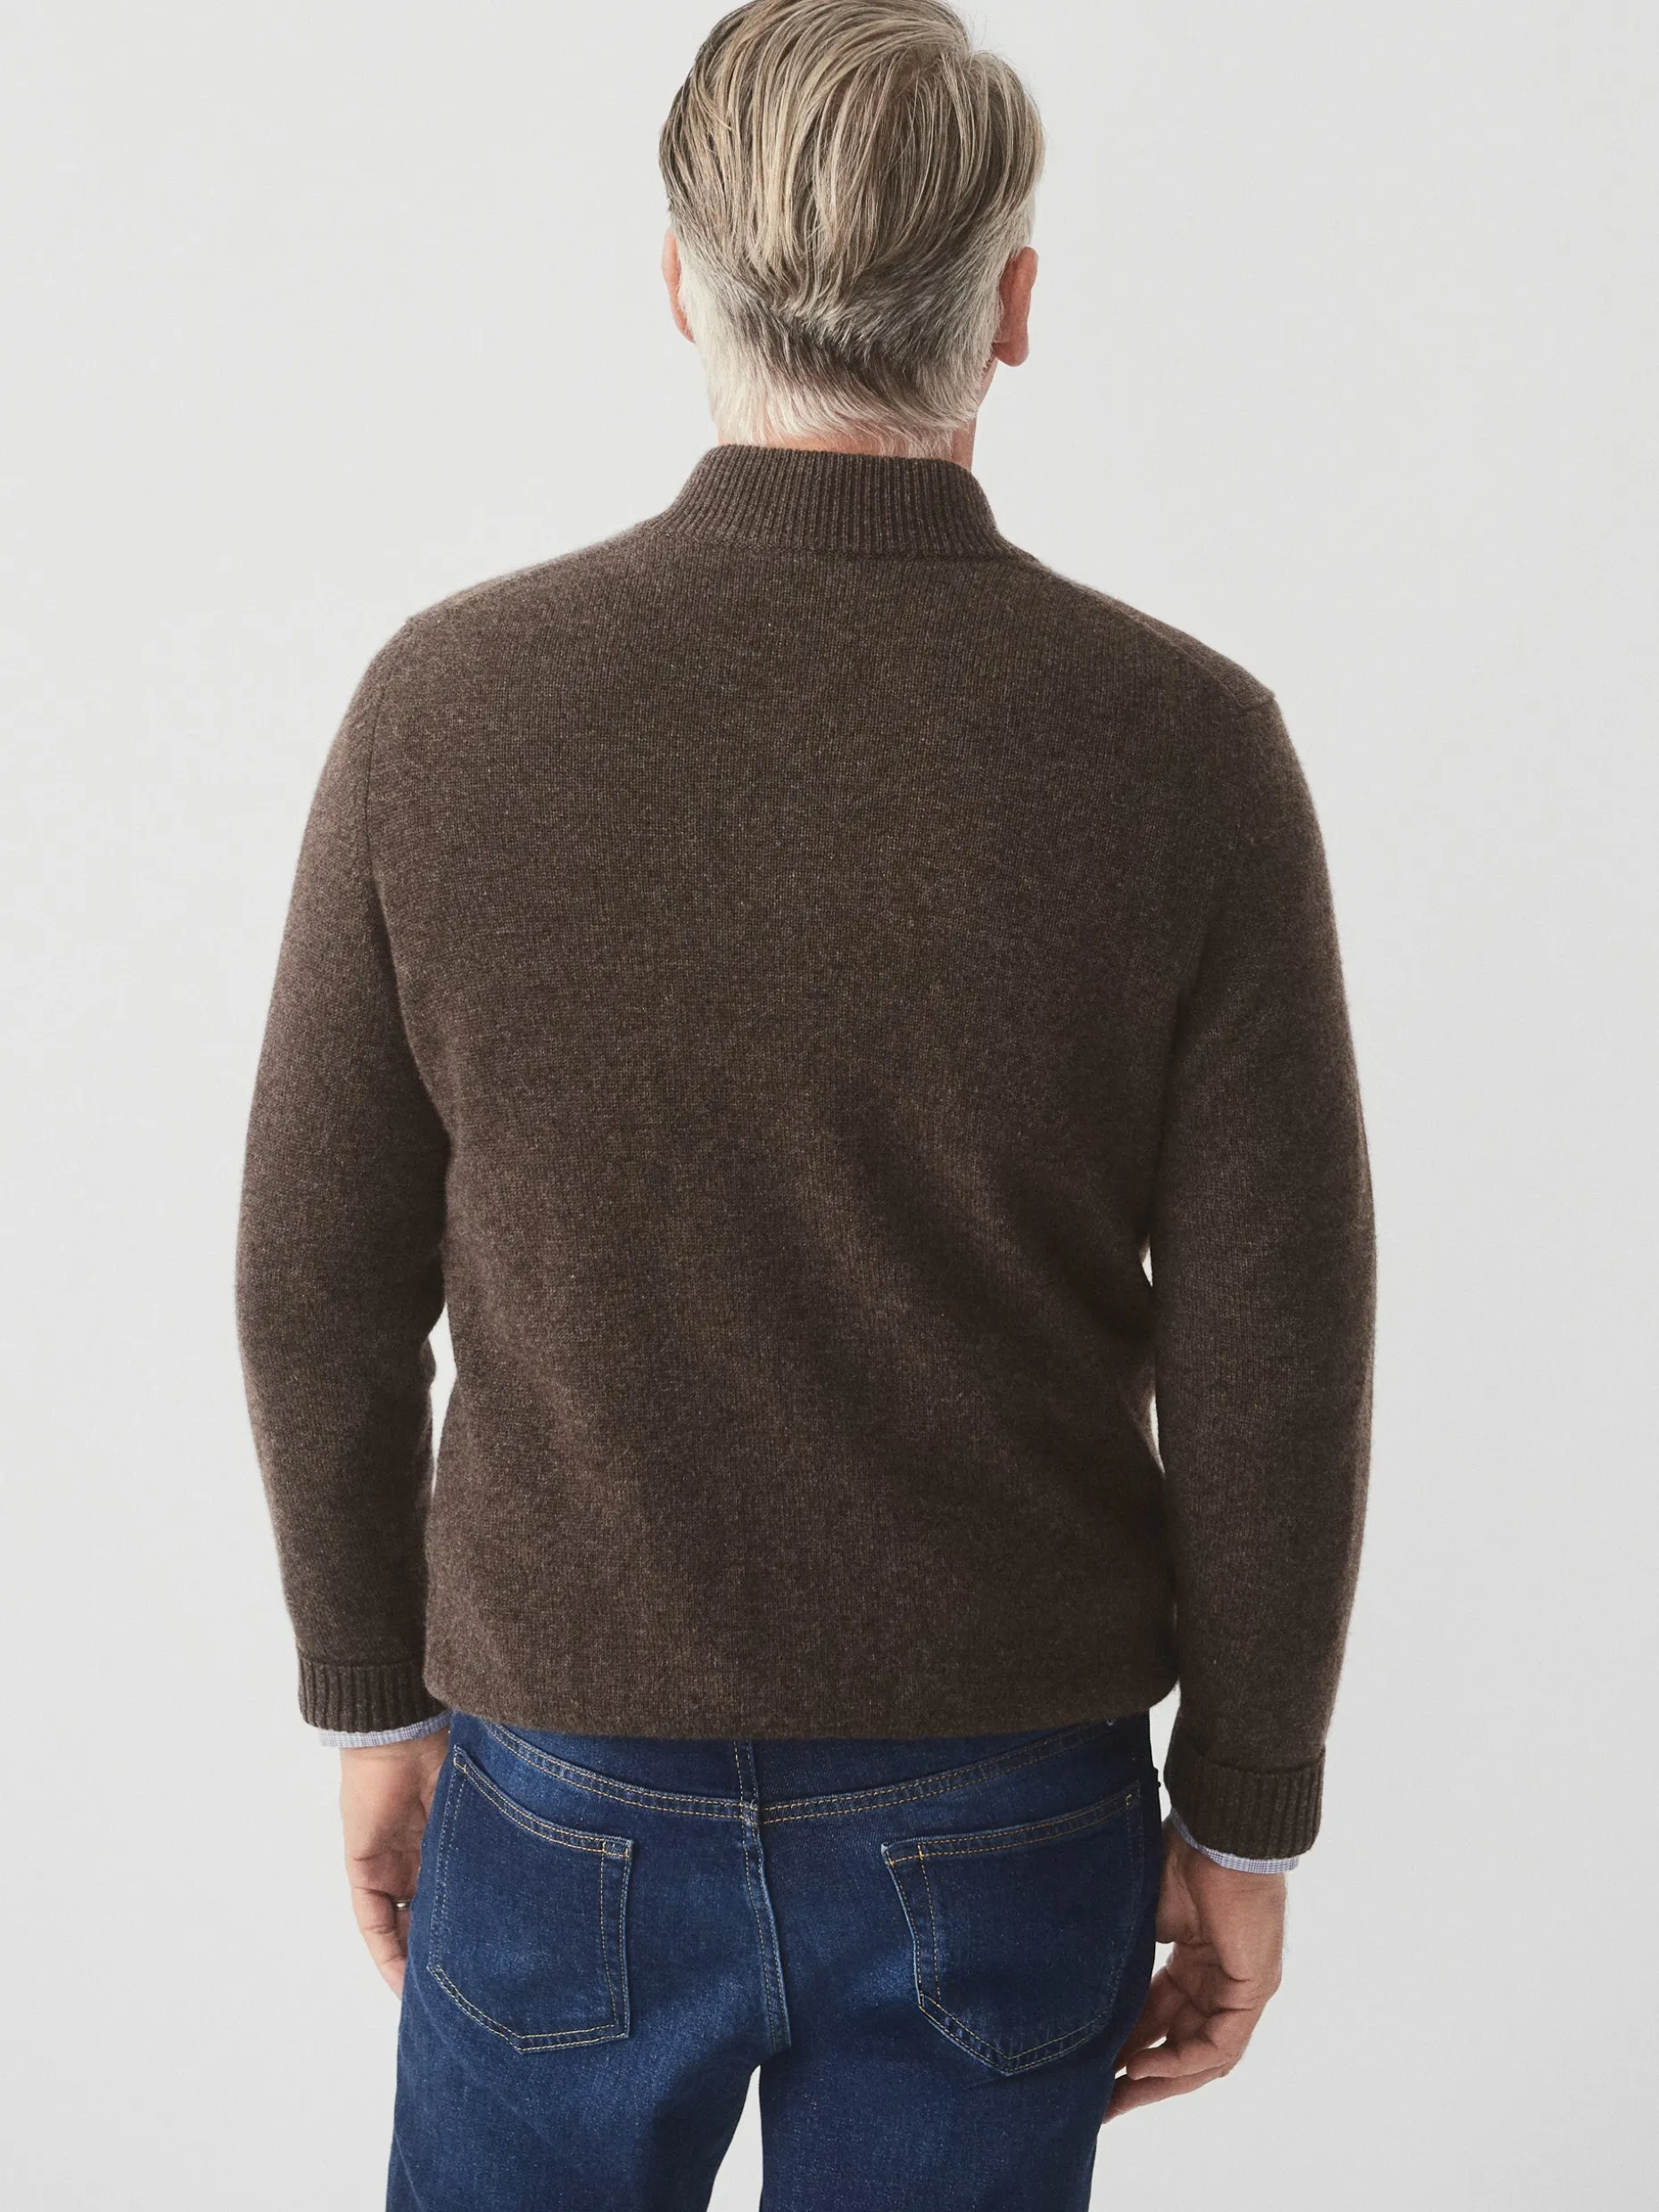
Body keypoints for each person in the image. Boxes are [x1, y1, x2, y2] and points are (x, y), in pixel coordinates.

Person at [235, 4, 1375, 2205]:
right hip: (1007, 1794)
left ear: (683, 283)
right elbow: (1278, 1349)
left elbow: (314, 1275)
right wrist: (1247, 1809)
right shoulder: (1185, 748)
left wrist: (372, 1694)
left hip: (562, 1783)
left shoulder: (447, 710)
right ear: (1011, 306)